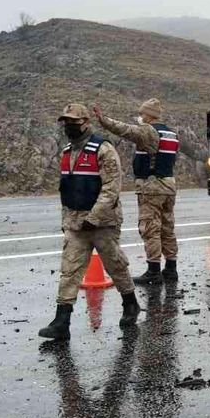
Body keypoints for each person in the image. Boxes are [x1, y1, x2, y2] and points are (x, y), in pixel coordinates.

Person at [38, 104, 139, 341]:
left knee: (115, 265)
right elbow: (66, 191)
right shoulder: (66, 152)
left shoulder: (103, 150)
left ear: (85, 122)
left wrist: (93, 218)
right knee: (69, 271)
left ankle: (130, 304)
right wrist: (68, 222)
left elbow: (111, 190)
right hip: (76, 224)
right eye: (65, 122)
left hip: (103, 223)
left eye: (73, 122)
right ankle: (61, 322)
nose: (68, 126)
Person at [92, 99, 179, 285]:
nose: (140, 116)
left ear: (149, 115)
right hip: (169, 186)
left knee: (150, 229)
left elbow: (125, 130)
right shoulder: (171, 134)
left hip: (152, 187)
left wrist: (103, 120)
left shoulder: (148, 130)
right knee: (167, 228)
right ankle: (171, 269)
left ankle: (154, 271)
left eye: (143, 113)